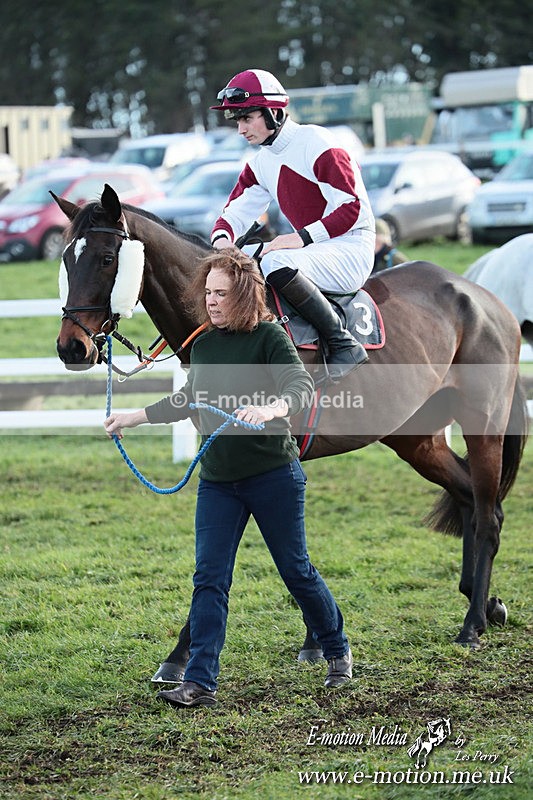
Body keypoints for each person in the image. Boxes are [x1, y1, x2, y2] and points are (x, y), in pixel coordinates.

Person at [104, 249, 352, 708]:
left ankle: (337, 648)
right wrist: (132, 418)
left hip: (273, 476)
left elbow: (299, 387)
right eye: (208, 292)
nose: (211, 301)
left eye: (221, 293)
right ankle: (199, 680)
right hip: (218, 481)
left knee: (296, 571)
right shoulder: (204, 345)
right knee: (210, 578)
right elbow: (187, 400)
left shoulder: (270, 338)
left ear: (243, 295)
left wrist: (272, 407)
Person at [209, 68, 376, 381]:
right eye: (238, 121)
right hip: (313, 253)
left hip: (350, 247)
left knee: (275, 258)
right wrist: (222, 242)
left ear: (273, 112)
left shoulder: (318, 142)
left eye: (247, 118)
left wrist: (301, 238)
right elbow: (233, 214)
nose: (241, 129)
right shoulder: (260, 162)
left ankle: (343, 344)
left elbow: (353, 208)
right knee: (245, 263)